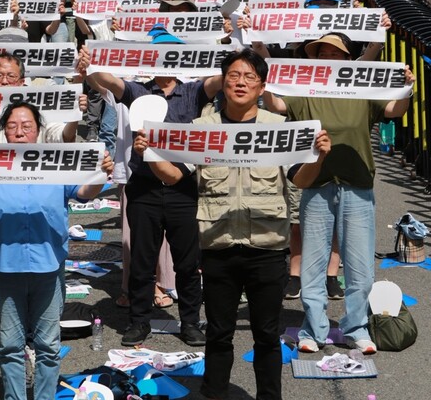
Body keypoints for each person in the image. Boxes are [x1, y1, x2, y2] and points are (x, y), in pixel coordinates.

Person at [134, 49, 332, 400]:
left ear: (261, 87)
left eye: (249, 78)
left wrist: (318, 157)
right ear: (223, 83)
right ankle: (214, 394)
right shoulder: (201, 129)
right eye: (233, 76)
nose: (240, 83)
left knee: (267, 336)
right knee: (219, 333)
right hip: (218, 245)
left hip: (268, 247)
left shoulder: (279, 128)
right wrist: (150, 154)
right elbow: (175, 176)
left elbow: (300, 180)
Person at [0, 100, 112, 400]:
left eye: (27, 126)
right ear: (4, 131)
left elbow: (82, 192)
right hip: (6, 266)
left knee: (47, 345)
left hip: (49, 265)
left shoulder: (55, 161)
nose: (19, 132)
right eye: (12, 126)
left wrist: (101, 174)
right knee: (12, 345)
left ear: (38, 131)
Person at [262, 32, 414, 355]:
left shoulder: (362, 90)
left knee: (359, 266)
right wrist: (263, 63)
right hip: (317, 188)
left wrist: (407, 88)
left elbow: (394, 110)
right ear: (314, 60)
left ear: (348, 59)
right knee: (313, 264)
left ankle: (356, 327)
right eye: (321, 53)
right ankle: (313, 329)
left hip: (357, 187)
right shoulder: (303, 92)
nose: (328, 57)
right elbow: (274, 103)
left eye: (336, 52)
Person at [80, 30, 223, 347]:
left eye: (172, 53)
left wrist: (242, 43)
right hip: (143, 187)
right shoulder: (137, 90)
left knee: (188, 262)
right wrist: (92, 62)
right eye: (159, 53)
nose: (165, 59)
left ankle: (190, 323)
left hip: (184, 187)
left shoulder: (193, 91)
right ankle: (138, 322)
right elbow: (108, 80)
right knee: (142, 262)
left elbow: (222, 79)